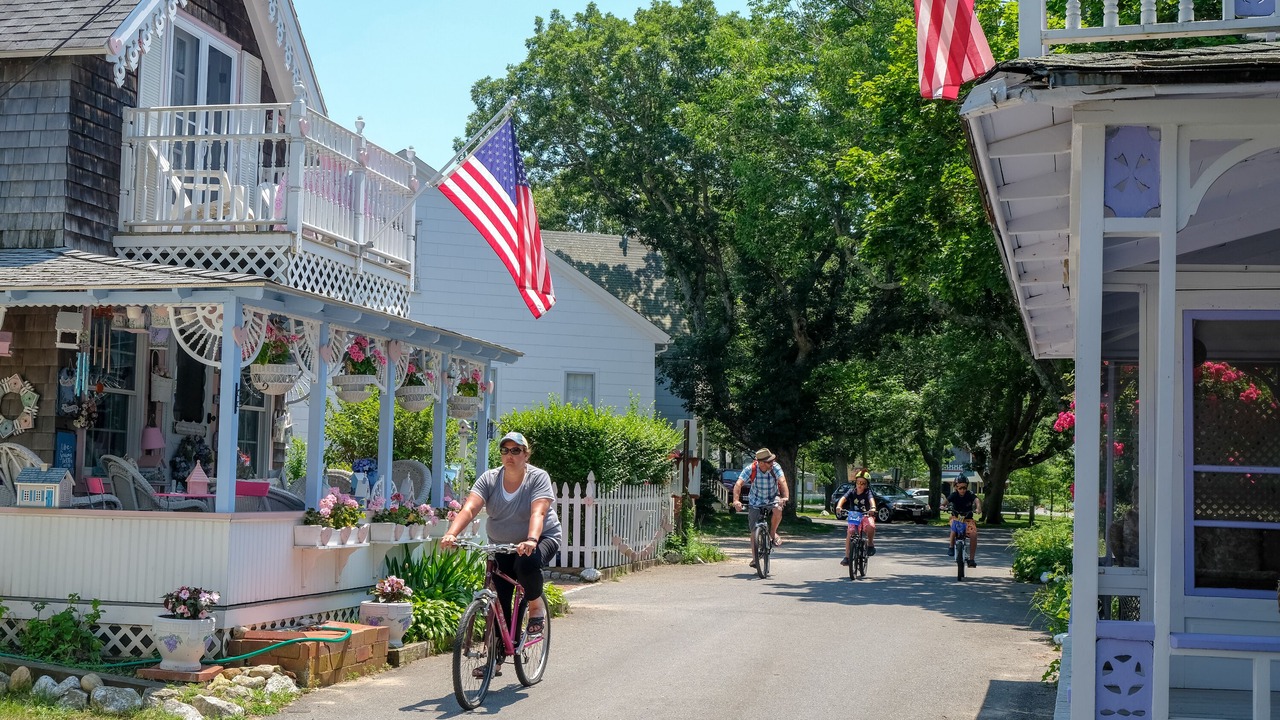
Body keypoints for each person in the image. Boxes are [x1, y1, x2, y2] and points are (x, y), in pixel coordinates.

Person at [441, 431, 561, 656]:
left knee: (526, 564)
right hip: (502, 544)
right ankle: (496, 658)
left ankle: (536, 606)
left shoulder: (537, 477)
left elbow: (538, 512)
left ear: (526, 454)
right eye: (505, 450)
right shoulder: (490, 478)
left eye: (516, 450)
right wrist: (451, 534)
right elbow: (470, 508)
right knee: (500, 598)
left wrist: (531, 539)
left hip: (541, 537)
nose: (509, 455)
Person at [732, 448, 789, 567]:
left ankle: (772, 533)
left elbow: (782, 481)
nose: (772, 463)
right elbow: (738, 484)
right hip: (755, 500)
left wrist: (785, 497)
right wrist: (736, 501)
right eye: (769, 462)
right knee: (754, 531)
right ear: (761, 462)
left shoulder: (775, 467)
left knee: (778, 509)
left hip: (772, 497)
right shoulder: (751, 469)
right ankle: (755, 559)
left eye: (772, 460)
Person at [835, 470, 877, 565]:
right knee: (850, 533)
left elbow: (871, 500)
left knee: (871, 526)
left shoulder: (868, 493)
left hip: (866, 514)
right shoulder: (851, 491)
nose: (860, 485)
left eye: (863, 483)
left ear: (867, 485)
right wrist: (839, 506)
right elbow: (843, 498)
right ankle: (847, 557)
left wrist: (873, 508)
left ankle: (870, 543)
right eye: (858, 482)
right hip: (854, 515)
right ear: (855, 482)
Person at [946, 477, 981, 567]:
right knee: (954, 527)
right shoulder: (954, 495)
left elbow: (976, 500)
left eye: (964, 488)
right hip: (956, 518)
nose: (962, 490)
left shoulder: (969, 494)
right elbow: (946, 501)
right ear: (956, 487)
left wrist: (978, 508)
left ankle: (971, 559)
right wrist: (942, 505)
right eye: (960, 488)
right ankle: (951, 546)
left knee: (974, 534)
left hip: (968, 519)